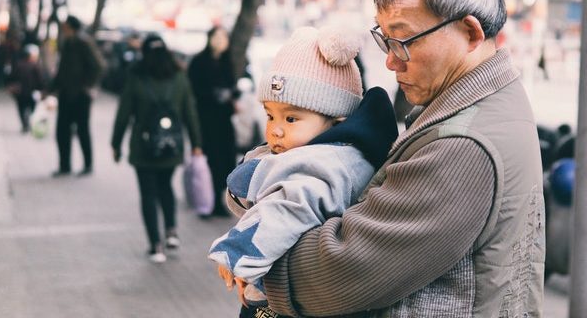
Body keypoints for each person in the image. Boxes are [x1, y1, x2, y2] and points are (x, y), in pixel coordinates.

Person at [260, 0, 545, 317]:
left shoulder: (463, 145)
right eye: (385, 39)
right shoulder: (493, 102)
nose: (391, 62)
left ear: (470, 32)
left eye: (403, 40)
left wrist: (258, 260)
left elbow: (343, 273)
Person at [208, 27, 398, 317]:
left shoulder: (326, 165)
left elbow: (288, 207)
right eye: (270, 115)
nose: (276, 129)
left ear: (336, 121)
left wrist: (237, 253)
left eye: (291, 118)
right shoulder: (310, 152)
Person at [111, 34, 203, 263]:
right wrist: (196, 143)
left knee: (148, 194)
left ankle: (156, 245)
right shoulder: (179, 76)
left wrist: (116, 144)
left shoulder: (136, 76)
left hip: (143, 147)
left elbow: (124, 113)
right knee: (166, 187)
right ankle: (171, 232)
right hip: (172, 146)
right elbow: (190, 112)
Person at [188, 26, 239, 217]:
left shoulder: (227, 62)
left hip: (224, 120)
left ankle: (219, 200)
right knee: (209, 160)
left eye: (223, 37)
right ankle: (205, 202)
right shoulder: (199, 62)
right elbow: (193, 90)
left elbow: (233, 86)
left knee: (225, 160)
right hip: (206, 119)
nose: (220, 41)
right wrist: (214, 94)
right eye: (216, 37)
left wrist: (231, 96)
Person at [50, 15, 105, 177]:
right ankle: (64, 165)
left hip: (80, 95)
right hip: (66, 94)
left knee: (82, 130)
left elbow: (98, 66)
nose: (63, 29)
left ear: (71, 27)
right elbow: (62, 70)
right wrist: (51, 88)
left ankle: (88, 164)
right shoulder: (67, 43)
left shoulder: (83, 42)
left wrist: (87, 85)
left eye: (65, 26)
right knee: (62, 131)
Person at [6, 44, 44, 133]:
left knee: (21, 109)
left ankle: (25, 124)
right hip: (31, 93)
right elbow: (40, 80)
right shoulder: (36, 67)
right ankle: (27, 122)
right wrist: (42, 90)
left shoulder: (18, 65)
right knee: (31, 108)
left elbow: (11, 78)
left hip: (20, 93)